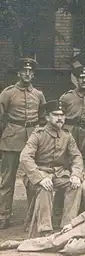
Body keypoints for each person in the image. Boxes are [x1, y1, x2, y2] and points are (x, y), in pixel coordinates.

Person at [20, 100, 83, 238]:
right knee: (45, 187)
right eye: (56, 115)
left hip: (59, 175)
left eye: (62, 115)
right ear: (47, 117)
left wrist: (76, 174)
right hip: (37, 175)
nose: (60, 118)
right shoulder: (38, 134)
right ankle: (45, 230)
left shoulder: (67, 135)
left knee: (75, 186)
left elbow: (76, 157)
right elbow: (25, 157)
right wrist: (40, 177)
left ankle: (67, 226)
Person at [0, 57, 46, 229]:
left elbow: (43, 119)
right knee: (7, 180)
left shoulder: (38, 95)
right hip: (11, 138)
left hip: (32, 140)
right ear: (18, 73)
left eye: (30, 71)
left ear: (33, 74)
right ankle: (3, 216)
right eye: (24, 71)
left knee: (33, 178)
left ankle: (31, 217)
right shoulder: (8, 93)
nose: (27, 74)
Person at [60, 65, 85, 149]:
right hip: (69, 134)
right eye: (81, 78)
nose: (84, 80)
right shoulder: (67, 97)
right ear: (77, 80)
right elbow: (59, 117)